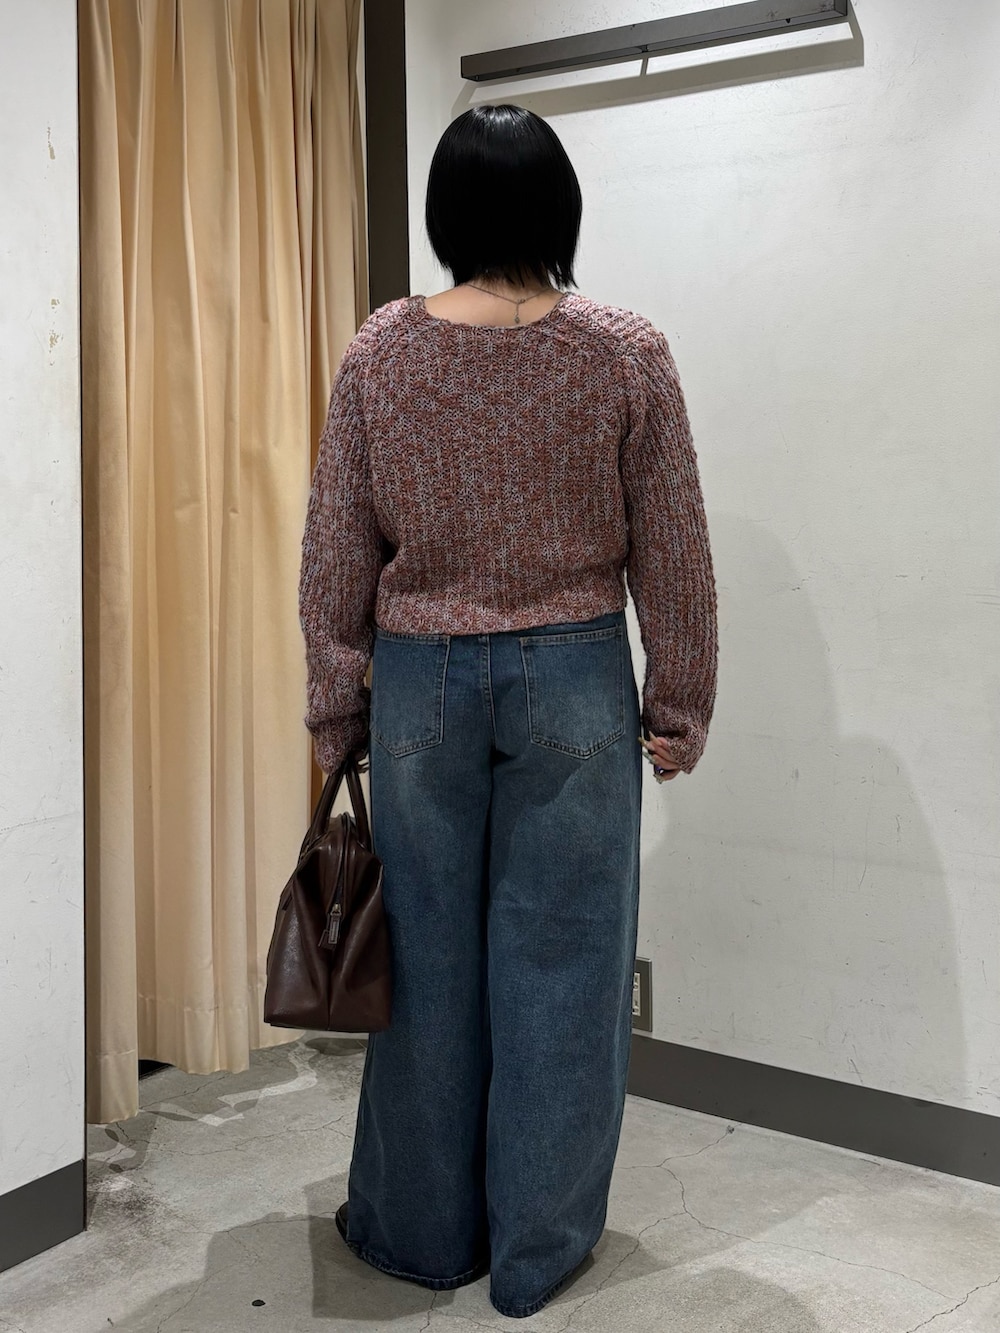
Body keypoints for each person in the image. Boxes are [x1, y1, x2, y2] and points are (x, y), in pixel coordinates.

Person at [297, 102, 718, 1319]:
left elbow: (335, 545)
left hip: (419, 682)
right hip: (574, 678)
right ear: (558, 208)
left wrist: (334, 708)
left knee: (423, 968)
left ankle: (418, 1234)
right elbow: (673, 545)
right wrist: (678, 703)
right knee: (566, 966)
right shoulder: (625, 350)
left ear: (445, 213)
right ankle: (535, 1251)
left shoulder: (382, 350)